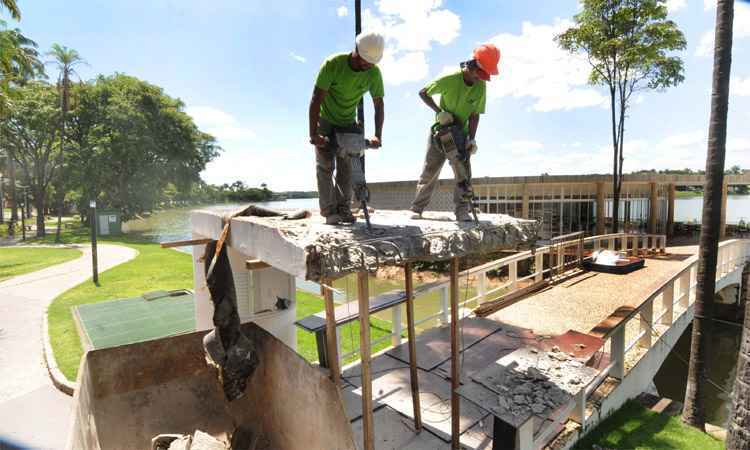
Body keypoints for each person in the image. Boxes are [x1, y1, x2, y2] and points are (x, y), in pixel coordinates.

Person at [410, 43, 500, 221]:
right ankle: (417, 208)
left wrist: (472, 139)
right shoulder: (450, 78)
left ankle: (462, 211)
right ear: (473, 65)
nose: (480, 79)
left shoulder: (481, 86)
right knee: (430, 170)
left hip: (461, 135)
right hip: (441, 132)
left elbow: (475, 114)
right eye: (479, 75)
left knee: (463, 173)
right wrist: (439, 112)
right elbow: (423, 92)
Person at [309, 31, 385, 225]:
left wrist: (377, 135)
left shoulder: (373, 73)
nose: (367, 66)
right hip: (326, 119)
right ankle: (329, 212)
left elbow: (379, 104)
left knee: (348, 168)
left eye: (371, 64)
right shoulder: (333, 64)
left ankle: (344, 208)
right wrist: (314, 134)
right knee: (325, 166)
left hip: (348, 122)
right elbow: (316, 99)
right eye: (364, 61)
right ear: (356, 50)